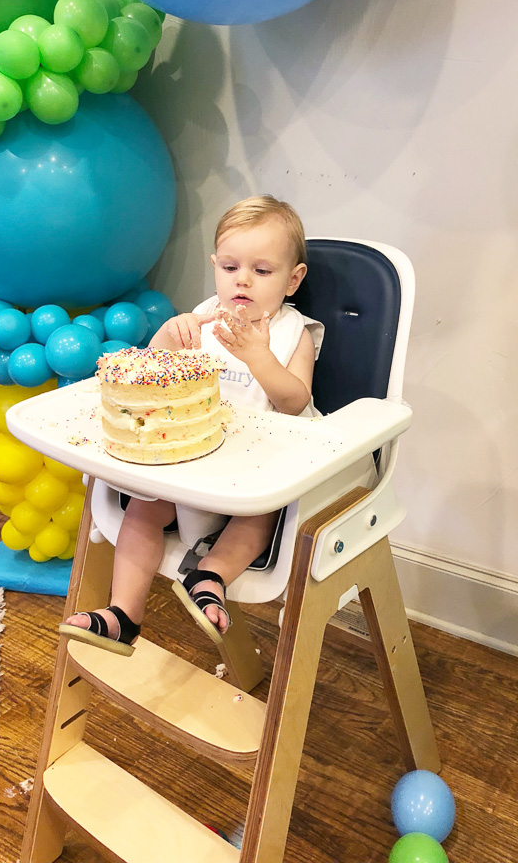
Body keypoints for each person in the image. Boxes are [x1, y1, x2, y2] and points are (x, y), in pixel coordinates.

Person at [61, 195, 324, 655]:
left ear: (293, 279)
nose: (243, 280)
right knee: (143, 510)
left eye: (262, 271)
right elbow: (154, 375)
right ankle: (123, 613)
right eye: (229, 267)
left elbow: (296, 403)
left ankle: (210, 577)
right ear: (215, 266)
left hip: (255, 471)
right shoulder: (202, 319)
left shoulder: (292, 332)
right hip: (188, 461)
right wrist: (167, 337)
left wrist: (259, 357)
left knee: (259, 518)